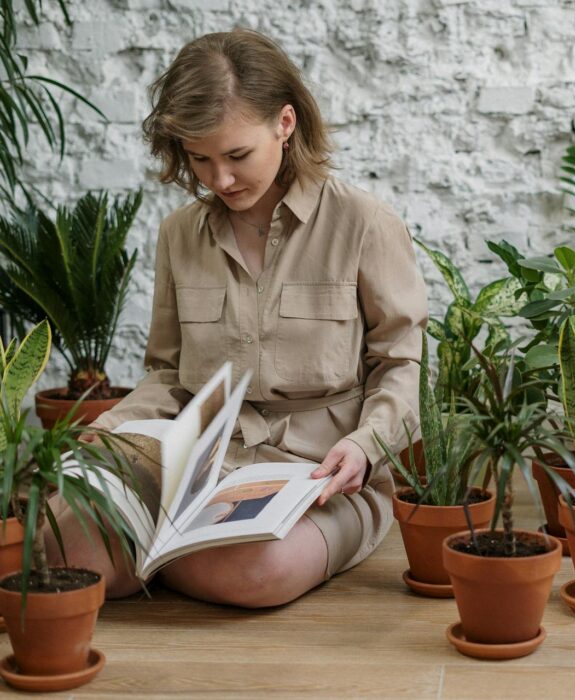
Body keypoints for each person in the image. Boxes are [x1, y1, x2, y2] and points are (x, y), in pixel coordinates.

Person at [45, 28, 427, 608]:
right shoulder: (179, 234)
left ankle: (146, 558)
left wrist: (367, 446)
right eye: (200, 159)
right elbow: (168, 375)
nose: (219, 180)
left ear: (286, 123)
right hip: (196, 465)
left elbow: (400, 361)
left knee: (254, 572)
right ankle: (163, 551)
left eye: (237, 155)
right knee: (57, 540)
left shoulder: (364, 224)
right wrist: (105, 433)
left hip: (322, 480)